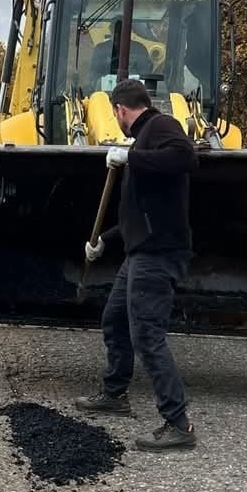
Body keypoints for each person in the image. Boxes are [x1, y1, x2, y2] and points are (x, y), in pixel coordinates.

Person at [76, 78, 199, 450]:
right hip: (140, 251)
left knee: (147, 334)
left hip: (158, 253)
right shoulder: (144, 138)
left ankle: (178, 424)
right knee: (114, 319)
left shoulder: (161, 126)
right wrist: (104, 241)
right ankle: (115, 395)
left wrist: (131, 156)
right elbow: (138, 213)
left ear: (120, 110)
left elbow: (186, 157)